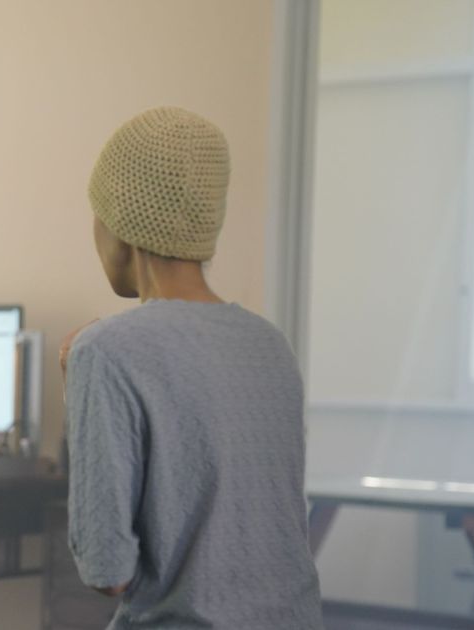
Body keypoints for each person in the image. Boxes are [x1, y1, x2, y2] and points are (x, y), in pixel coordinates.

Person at [59, 107, 323, 629]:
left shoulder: (105, 351)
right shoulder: (270, 346)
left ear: (119, 224)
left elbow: (106, 568)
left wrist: (79, 400)